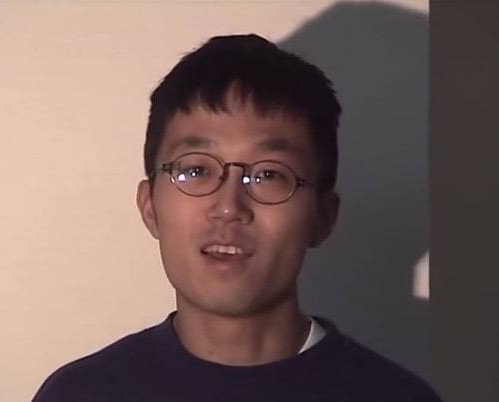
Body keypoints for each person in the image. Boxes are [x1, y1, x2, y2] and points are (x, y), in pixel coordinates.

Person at [32, 34, 441, 402]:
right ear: (150, 205)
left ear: (323, 216)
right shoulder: (79, 394)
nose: (229, 206)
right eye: (196, 170)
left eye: (269, 175)